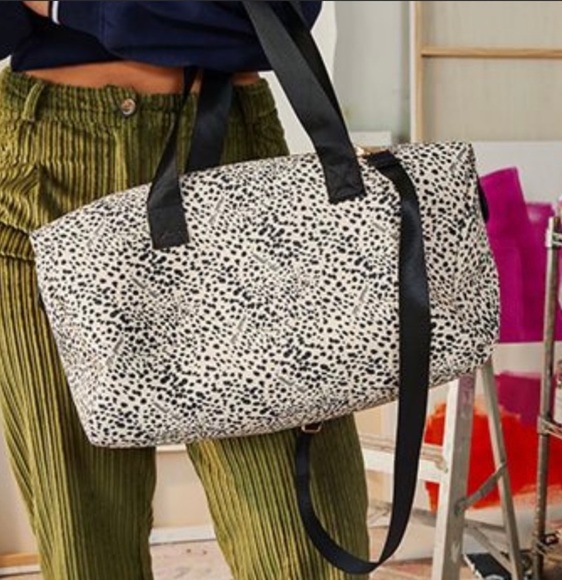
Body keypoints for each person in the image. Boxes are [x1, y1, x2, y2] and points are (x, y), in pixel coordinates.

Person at [0, 2, 370, 579]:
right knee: (82, 542)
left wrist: (66, 7)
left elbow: (275, 17)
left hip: (224, 152)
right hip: (45, 164)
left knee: (305, 543)